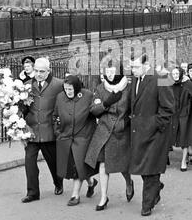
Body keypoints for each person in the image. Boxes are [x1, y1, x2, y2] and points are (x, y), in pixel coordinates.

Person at [129, 53, 174, 216]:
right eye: (131, 67)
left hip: (155, 134)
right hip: (139, 133)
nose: (132, 70)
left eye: (135, 67)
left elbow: (168, 107)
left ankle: (146, 205)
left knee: (150, 168)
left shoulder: (161, 78)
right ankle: (156, 187)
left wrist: (155, 125)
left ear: (146, 65)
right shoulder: (135, 79)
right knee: (142, 167)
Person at [85, 60, 133, 211]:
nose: (110, 74)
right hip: (104, 132)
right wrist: (106, 103)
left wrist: (127, 121)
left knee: (123, 166)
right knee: (103, 165)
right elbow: (93, 109)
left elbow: (134, 108)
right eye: (107, 71)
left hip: (121, 132)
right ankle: (103, 197)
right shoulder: (100, 88)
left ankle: (129, 182)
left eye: (112, 71)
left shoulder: (128, 88)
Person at [21, 57, 63, 203]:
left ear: (48, 71)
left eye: (42, 71)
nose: (38, 74)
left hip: (49, 132)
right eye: (36, 71)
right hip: (31, 131)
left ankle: (58, 183)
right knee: (29, 162)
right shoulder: (26, 86)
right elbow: (22, 109)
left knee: (53, 162)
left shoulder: (59, 84)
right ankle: (32, 193)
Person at [53, 75, 98, 206]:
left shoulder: (88, 95)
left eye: (71, 89)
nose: (68, 92)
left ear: (77, 87)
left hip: (83, 137)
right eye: (66, 89)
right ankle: (91, 183)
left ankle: (75, 195)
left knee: (77, 168)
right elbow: (55, 116)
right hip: (66, 137)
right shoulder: (60, 97)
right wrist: (57, 132)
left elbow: (95, 112)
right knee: (76, 166)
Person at [169, 67, 192, 171]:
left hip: (185, 114)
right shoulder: (168, 82)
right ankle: (165, 158)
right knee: (170, 136)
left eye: (177, 73)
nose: (175, 75)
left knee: (184, 137)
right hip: (173, 114)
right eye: (173, 73)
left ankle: (183, 161)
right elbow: (156, 80)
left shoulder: (188, 83)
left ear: (181, 74)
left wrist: (189, 107)